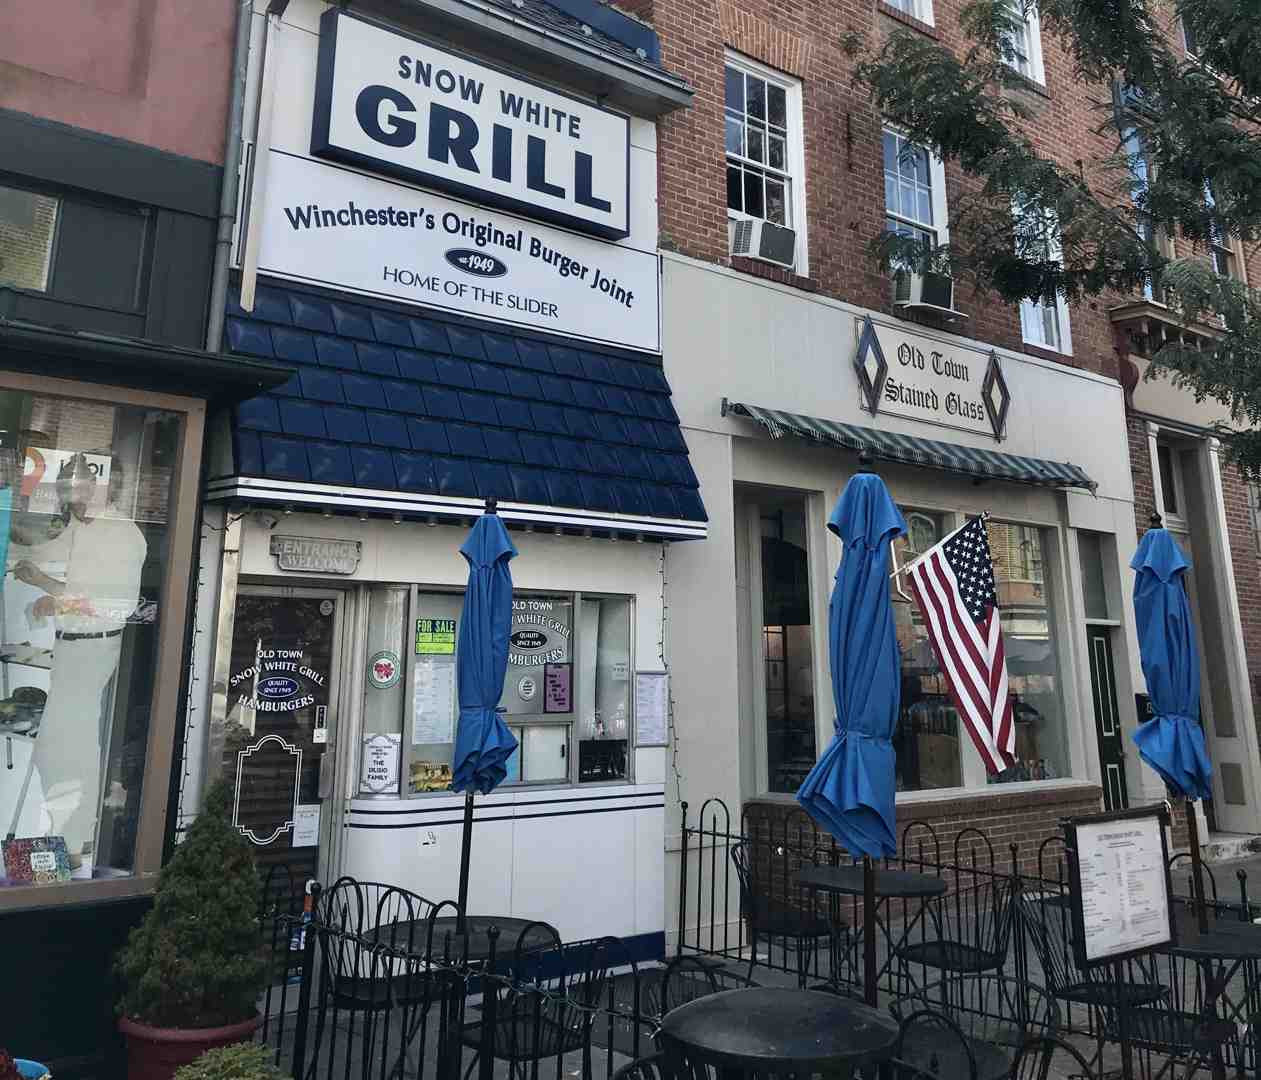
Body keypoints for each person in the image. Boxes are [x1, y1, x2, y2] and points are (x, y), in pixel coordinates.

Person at [14, 453, 146, 877]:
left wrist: (49, 591)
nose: (72, 500)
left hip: (93, 649)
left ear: (97, 485)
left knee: (69, 750)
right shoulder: (80, 525)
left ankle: (74, 847)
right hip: (68, 647)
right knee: (54, 748)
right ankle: (58, 838)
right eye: (66, 491)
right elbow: (51, 550)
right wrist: (17, 546)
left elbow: (115, 607)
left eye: (78, 489)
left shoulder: (124, 535)